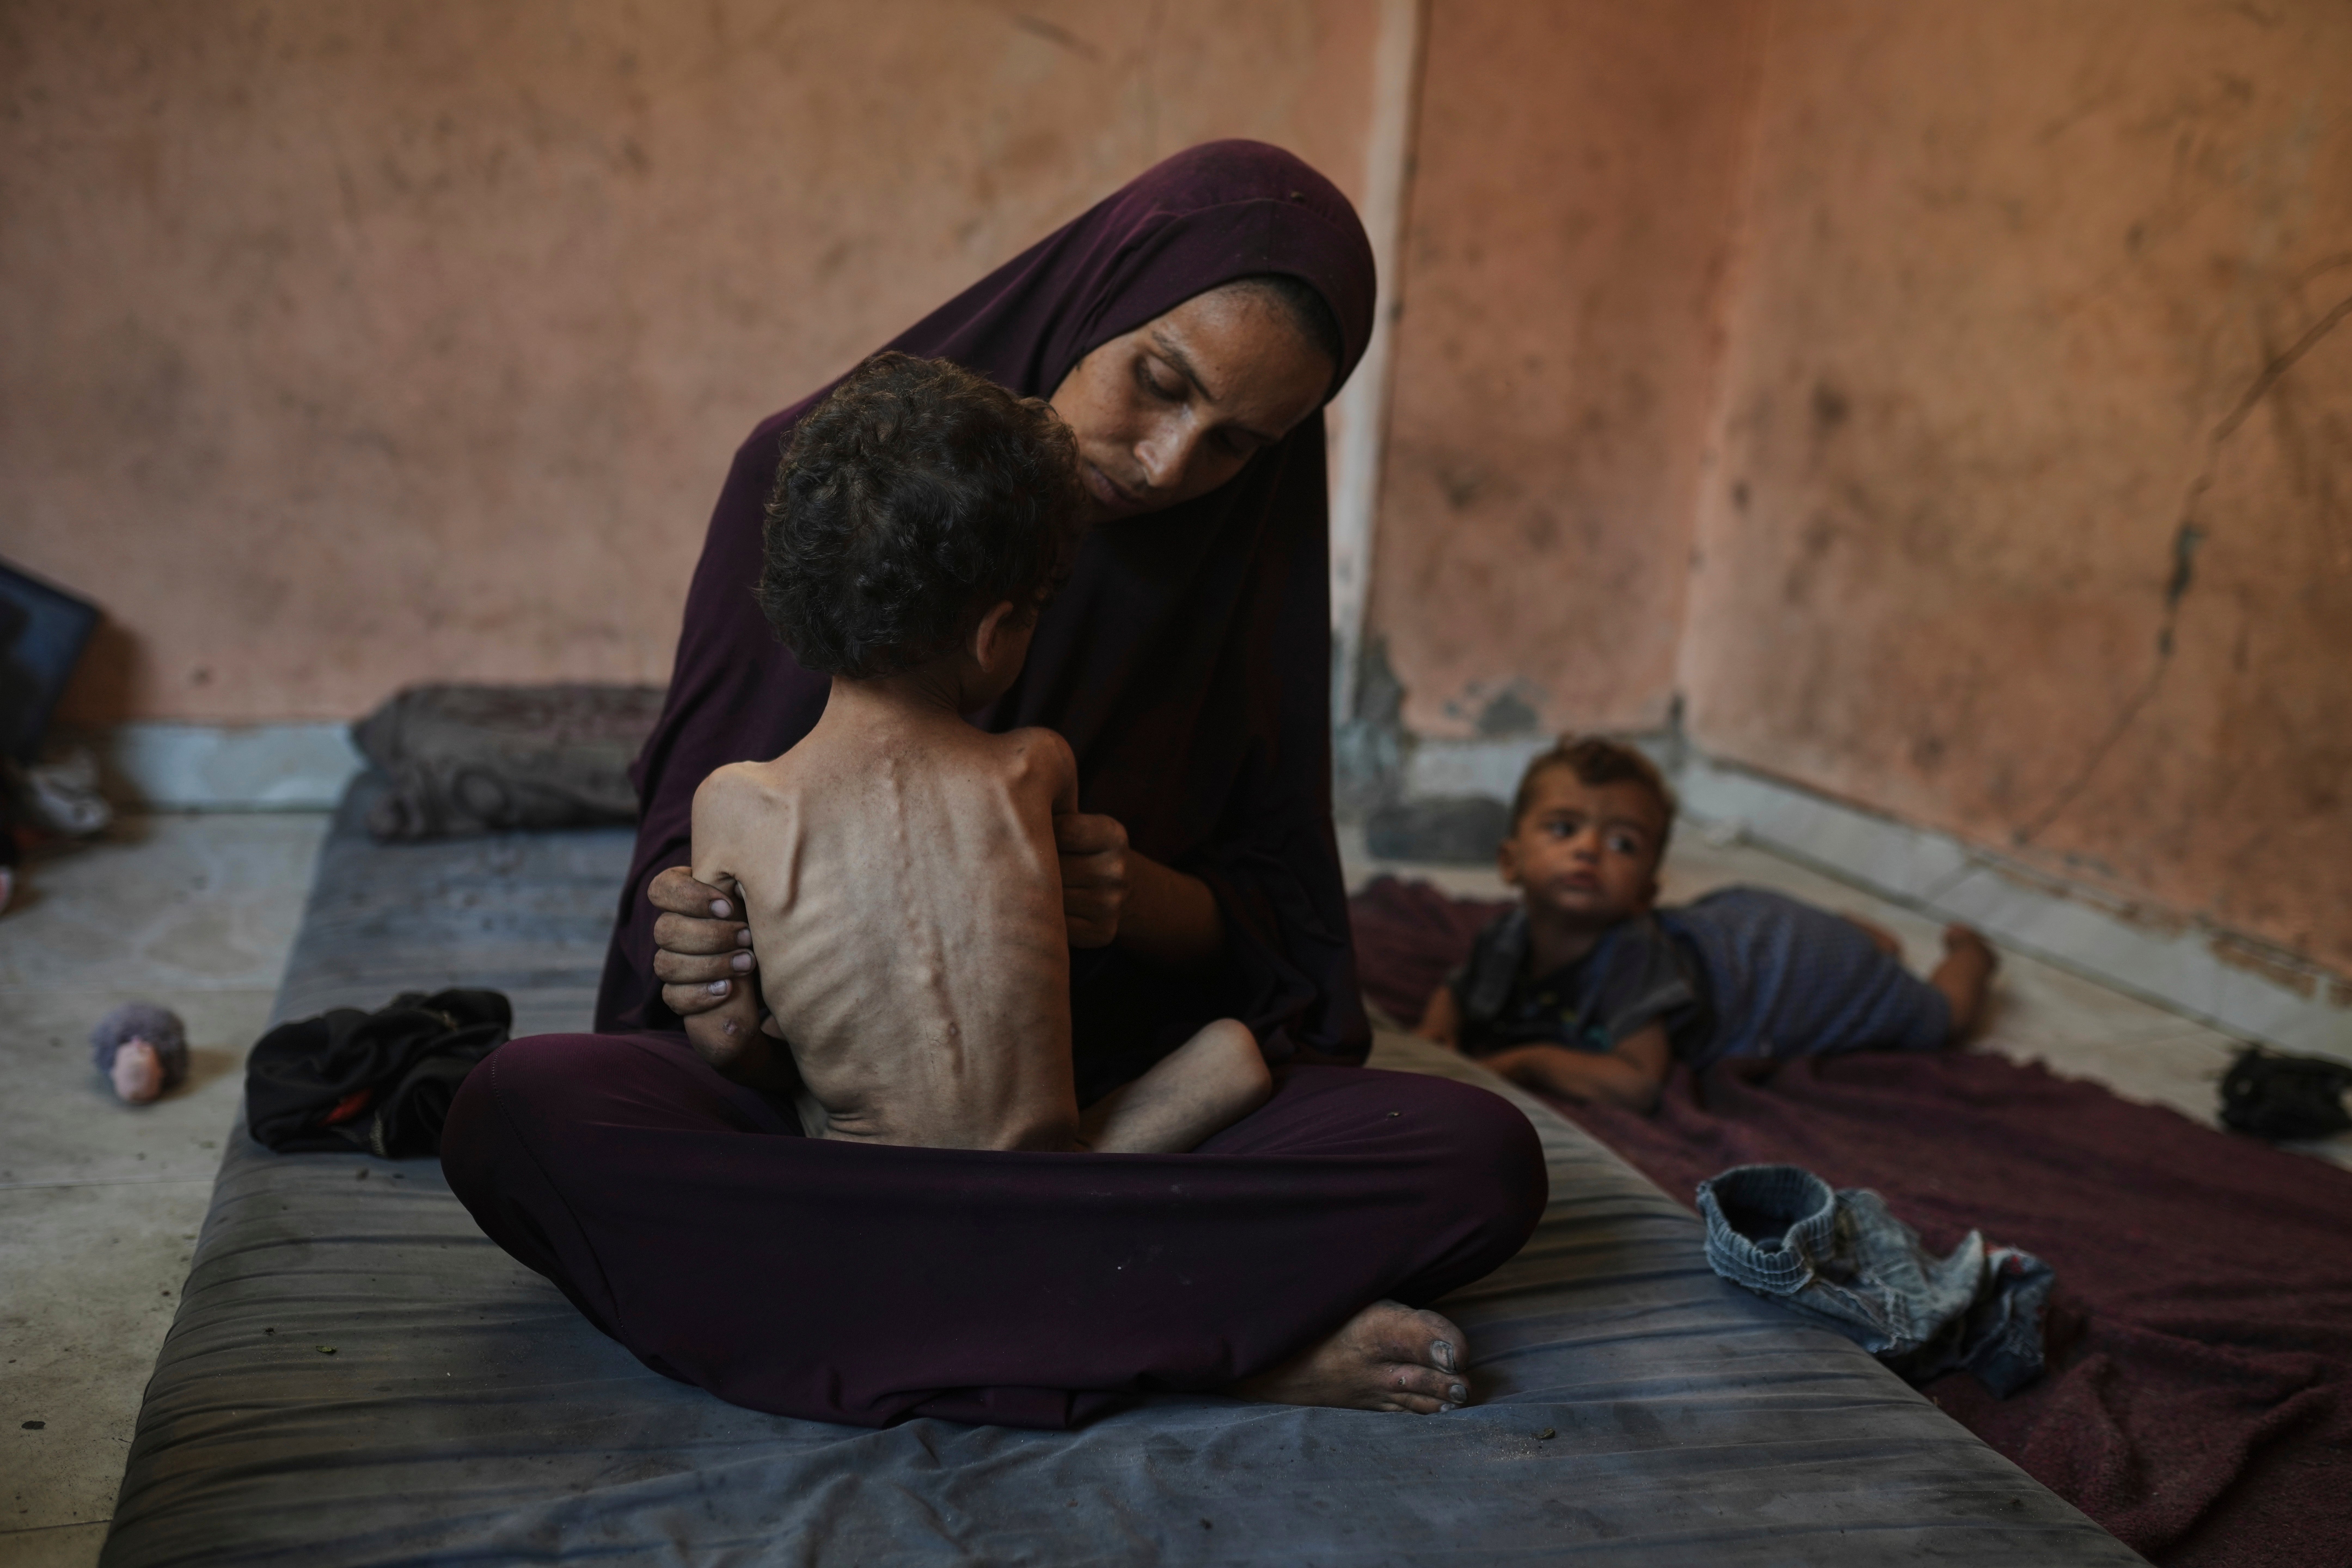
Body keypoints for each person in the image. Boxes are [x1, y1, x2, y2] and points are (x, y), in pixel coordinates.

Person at [442, 142, 1547, 1432]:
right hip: (834, 1111)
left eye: (1239, 443)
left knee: (1477, 1157)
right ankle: (1196, 1342)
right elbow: (680, 900)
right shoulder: (810, 482)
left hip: (1089, 1090)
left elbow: (1288, 950)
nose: (1166, 462)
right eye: (1160, 381)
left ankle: (929, 1311)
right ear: (1101, 293)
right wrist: (700, 939)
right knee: (521, 1115)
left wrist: (1131, 898)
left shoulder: (1235, 569)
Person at [688, 351, 1269, 1153]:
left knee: (552, 1093)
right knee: (1237, 1054)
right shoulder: (1036, 768)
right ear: (998, 633)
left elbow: (725, 1041)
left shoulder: (733, 803)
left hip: (866, 1199)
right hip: (1047, 1184)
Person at [1416, 737, 1999, 1112]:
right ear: (1510, 861)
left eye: (1622, 842)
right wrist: (1437, 1027)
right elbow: (1458, 988)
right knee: (1803, 931)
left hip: (1788, 970)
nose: (1589, 850)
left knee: (1938, 1020)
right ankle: (1863, 937)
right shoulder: (1506, 937)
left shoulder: (1630, 962)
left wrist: (1529, 1060)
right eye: (1564, 829)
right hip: (1739, 927)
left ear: (1646, 891)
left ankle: (1970, 955)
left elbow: (1638, 1081)